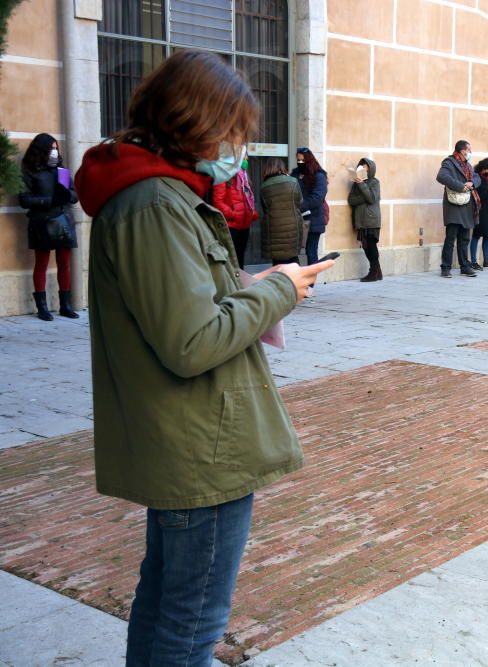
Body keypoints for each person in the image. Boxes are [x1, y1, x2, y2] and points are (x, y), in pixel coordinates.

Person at [74, 50, 335, 666]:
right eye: (234, 131)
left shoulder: (158, 196)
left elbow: (181, 309)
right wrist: (281, 290)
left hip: (191, 437)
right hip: (201, 445)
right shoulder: (157, 204)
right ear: (194, 121)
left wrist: (248, 286)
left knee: (168, 602)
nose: (239, 147)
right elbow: (190, 343)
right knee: (191, 623)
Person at [18, 133, 79, 320]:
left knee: (64, 264)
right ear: (41, 150)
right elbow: (24, 199)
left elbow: (75, 195)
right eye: (51, 148)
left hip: (63, 222)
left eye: (56, 148)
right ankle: (42, 307)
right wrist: (49, 200)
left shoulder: (61, 171)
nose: (54, 152)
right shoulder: (29, 171)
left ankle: (65, 305)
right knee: (41, 264)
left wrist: (67, 196)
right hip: (41, 222)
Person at [436, 140, 479, 278]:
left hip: (466, 205)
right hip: (453, 204)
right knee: (451, 237)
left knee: (464, 238)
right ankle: (445, 268)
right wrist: (461, 186)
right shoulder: (449, 162)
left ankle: (465, 266)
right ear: (462, 150)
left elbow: (477, 178)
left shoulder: (468, 165)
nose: (471, 153)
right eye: (469, 150)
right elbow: (441, 177)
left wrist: (471, 183)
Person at [292, 147, 328, 295]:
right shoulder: (295, 173)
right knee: (294, 252)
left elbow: (317, 198)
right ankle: (298, 282)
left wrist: (300, 206)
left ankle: (310, 285)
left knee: (311, 251)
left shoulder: (319, 175)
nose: (300, 162)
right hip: (297, 219)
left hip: (313, 219)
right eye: (298, 159)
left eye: (302, 159)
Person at [212, 160, 258, 269]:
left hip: (244, 224)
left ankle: (240, 285)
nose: (245, 159)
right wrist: (233, 214)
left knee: (240, 258)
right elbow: (217, 202)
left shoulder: (244, 176)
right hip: (231, 226)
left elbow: (247, 199)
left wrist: (251, 213)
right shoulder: (223, 176)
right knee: (231, 260)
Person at [259, 157, 304, 266]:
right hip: (293, 227)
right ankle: (297, 282)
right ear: (282, 167)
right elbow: (300, 202)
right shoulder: (293, 181)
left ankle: (282, 282)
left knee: (279, 263)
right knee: (293, 258)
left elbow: (265, 208)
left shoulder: (264, 186)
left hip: (274, 228)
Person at [348, 158, 382, 281]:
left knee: (371, 246)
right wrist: (362, 193)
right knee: (366, 246)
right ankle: (377, 272)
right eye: (361, 166)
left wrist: (362, 185)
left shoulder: (374, 182)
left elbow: (372, 199)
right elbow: (351, 200)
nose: (363, 168)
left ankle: (374, 272)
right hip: (361, 220)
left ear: (370, 168)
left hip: (371, 219)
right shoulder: (355, 184)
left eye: (365, 166)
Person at [470, 158, 488, 270]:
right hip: (479, 210)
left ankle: (486, 260)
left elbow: (487, 197)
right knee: (476, 235)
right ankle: (473, 261)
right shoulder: (477, 178)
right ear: (484, 168)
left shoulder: (485, 178)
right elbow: (477, 196)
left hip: (487, 210)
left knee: (487, 235)